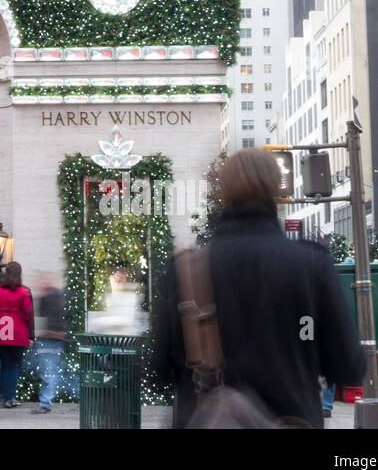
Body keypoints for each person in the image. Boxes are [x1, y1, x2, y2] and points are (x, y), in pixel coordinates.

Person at [152, 148, 365, 429]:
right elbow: (348, 367)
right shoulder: (311, 264)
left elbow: (157, 370)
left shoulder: (187, 271)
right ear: (276, 189)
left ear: (223, 191)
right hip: (293, 418)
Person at [0, 261, 34, 409]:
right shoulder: (24, 291)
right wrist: (30, 333)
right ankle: (10, 397)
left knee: (5, 366)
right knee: (15, 366)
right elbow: (28, 313)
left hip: (1, 332)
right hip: (18, 334)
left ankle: (3, 397)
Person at [32, 272, 69, 414]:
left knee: (48, 373)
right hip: (51, 340)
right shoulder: (53, 297)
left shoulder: (52, 297)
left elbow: (52, 320)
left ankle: (45, 403)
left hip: (50, 340)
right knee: (48, 373)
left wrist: (49, 332)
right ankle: (45, 402)